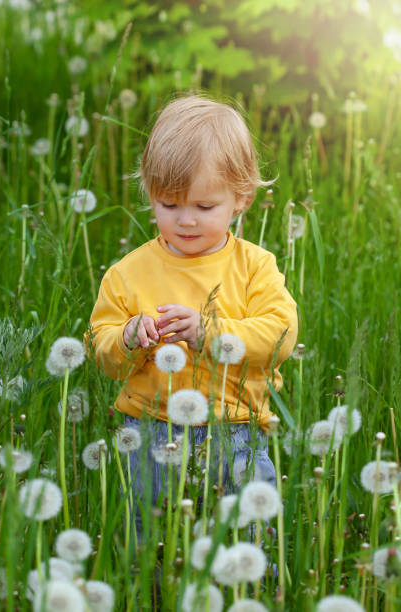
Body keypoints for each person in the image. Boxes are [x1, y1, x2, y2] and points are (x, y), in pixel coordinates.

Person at [88, 94, 298, 505]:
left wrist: (211, 332)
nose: (185, 219)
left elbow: (281, 335)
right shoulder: (128, 272)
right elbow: (103, 350)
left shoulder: (254, 266)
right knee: (149, 533)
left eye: (204, 206)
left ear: (242, 199)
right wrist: (128, 337)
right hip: (151, 427)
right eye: (169, 204)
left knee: (245, 530)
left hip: (235, 428)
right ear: (150, 194)